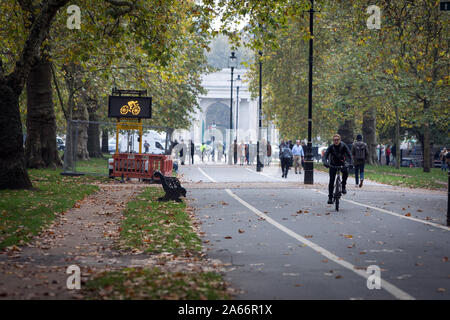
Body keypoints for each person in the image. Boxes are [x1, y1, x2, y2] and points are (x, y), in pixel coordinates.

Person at [323, 134, 352, 204]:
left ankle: (343, 185)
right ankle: (330, 197)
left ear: (340, 140)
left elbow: (350, 155)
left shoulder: (343, 146)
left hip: (342, 163)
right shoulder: (331, 147)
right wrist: (325, 162)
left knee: (345, 172)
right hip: (333, 165)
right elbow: (325, 156)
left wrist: (350, 163)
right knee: (331, 181)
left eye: (337, 140)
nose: (336, 141)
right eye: (334, 140)